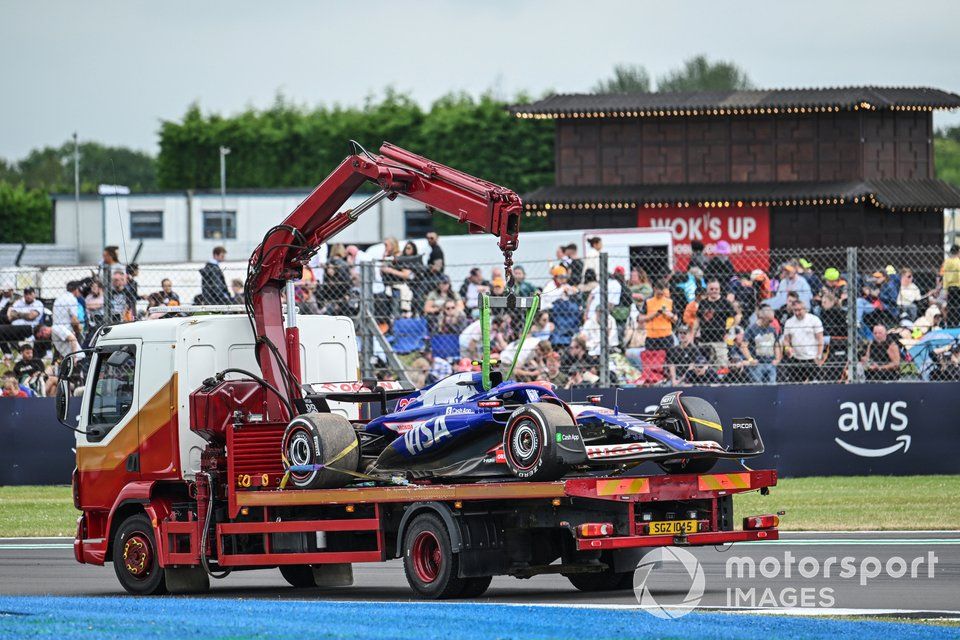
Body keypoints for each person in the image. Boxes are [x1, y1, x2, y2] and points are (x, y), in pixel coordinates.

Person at [693, 280, 738, 366]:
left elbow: (736, 317)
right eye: (712, 289)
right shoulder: (703, 303)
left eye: (716, 289)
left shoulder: (725, 302)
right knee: (704, 366)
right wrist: (693, 333)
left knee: (721, 365)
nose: (714, 291)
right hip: (704, 340)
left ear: (720, 290)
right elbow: (697, 319)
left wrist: (729, 331)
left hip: (720, 341)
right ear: (707, 290)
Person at [781, 301, 823, 383]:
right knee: (796, 385)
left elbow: (820, 339)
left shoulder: (814, 320)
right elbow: (786, 340)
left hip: (812, 358)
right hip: (796, 358)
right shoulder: (789, 322)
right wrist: (787, 348)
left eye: (799, 310)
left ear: (805, 309)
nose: (797, 313)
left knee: (815, 385)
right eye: (794, 310)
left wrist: (819, 355)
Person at [741, 307, 781, 384]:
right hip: (757, 364)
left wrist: (777, 359)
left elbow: (776, 345)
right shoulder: (751, 329)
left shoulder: (771, 329)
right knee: (758, 386)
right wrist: (750, 359)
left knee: (772, 385)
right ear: (762, 318)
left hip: (771, 363)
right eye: (770, 321)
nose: (771, 322)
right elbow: (743, 346)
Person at [51, 281, 83, 358]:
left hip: (56, 332)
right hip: (67, 334)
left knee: (59, 359)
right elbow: (74, 320)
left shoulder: (58, 299)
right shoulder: (72, 299)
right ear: (76, 290)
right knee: (76, 357)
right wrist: (78, 331)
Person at [942, 245, 960, 327]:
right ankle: (956, 323)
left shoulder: (947, 262)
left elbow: (945, 276)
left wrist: (945, 289)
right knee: (957, 307)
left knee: (951, 307)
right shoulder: (958, 262)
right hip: (957, 286)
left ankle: (950, 324)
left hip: (949, 287)